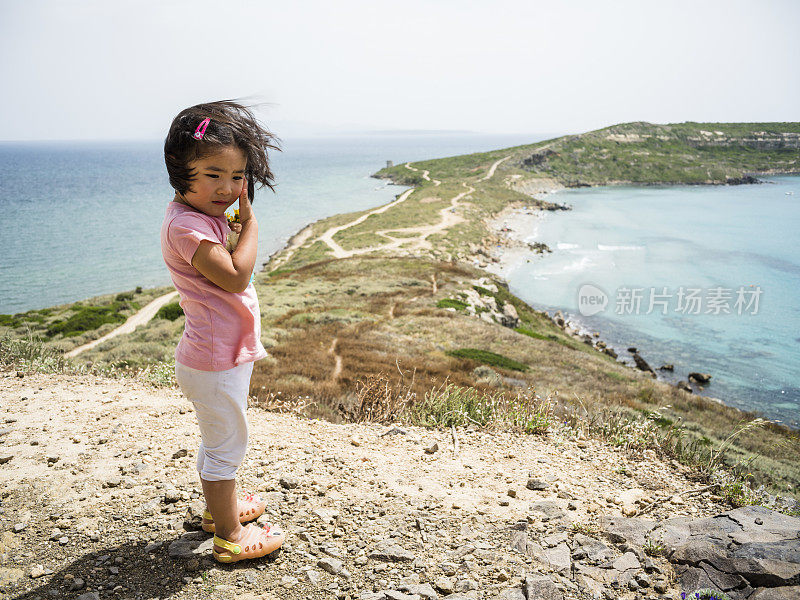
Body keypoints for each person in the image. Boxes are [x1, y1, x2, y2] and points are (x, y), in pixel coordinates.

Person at [160, 100, 284, 563]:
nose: (227, 188)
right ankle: (230, 535)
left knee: (220, 437)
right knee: (226, 444)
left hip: (218, 355)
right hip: (213, 360)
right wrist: (250, 224)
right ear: (180, 170)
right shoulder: (188, 227)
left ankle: (220, 509)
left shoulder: (201, 220)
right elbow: (235, 276)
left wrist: (233, 226)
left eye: (237, 177)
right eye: (213, 174)